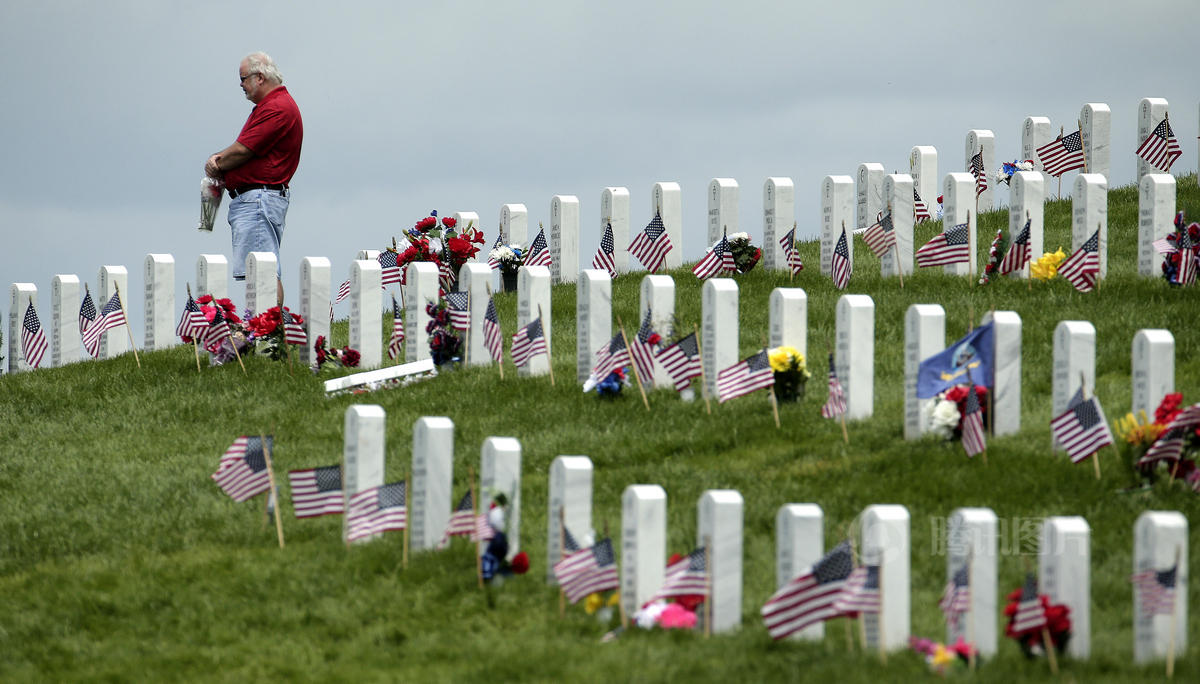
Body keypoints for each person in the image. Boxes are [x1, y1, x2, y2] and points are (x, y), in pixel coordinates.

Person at [205, 52, 302, 306]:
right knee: (259, 269)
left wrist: (217, 162)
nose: (241, 84)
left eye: (244, 78)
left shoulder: (276, 107)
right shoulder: (271, 106)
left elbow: (244, 149)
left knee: (264, 271)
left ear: (260, 77)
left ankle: (268, 329)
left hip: (259, 197)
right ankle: (267, 327)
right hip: (256, 198)